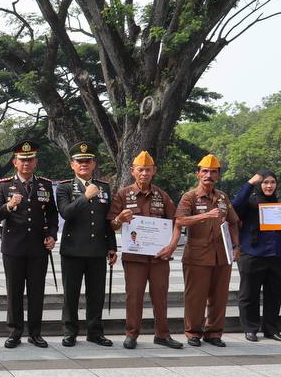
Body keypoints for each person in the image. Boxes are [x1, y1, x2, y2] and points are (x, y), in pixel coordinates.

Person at [108, 151, 182, 350]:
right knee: (134, 296)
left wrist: (172, 245)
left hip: (159, 257)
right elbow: (111, 225)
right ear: (133, 171)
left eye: (148, 170)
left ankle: (162, 334)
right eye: (140, 170)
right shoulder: (123, 195)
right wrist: (119, 219)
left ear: (154, 171)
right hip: (135, 257)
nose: (144, 173)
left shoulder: (161, 195)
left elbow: (176, 222)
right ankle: (131, 334)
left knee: (160, 295)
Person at [0, 140, 58, 348]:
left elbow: (52, 215)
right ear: (15, 162)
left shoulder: (44, 185)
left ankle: (35, 332)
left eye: (30, 159)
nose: (26, 163)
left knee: (37, 291)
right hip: (13, 247)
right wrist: (9, 206)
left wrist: (52, 235)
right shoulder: (4, 184)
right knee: (15, 290)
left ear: (35, 162)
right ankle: (15, 331)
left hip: (38, 247)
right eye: (22, 160)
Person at [54, 142, 117, 347]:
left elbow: (108, 220)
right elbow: (66, 213)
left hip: (98, 249)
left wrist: (112, 247)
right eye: (79, 161)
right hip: (73, 249)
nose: (84, 164)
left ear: (93, 164)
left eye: (87, 161)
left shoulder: (104, 187)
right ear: (72, 164)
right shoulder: (64, 187)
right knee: (70, 294)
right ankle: (70, 331)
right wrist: (85, 196)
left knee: (96, 294)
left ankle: (94, 331)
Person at [175, 155, 240, 346]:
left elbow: (234, 222)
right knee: (196, 296)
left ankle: (214, 333)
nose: (208, 175)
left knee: (219, 297)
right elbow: (180, 220)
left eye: (213, 172)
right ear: (198, 174)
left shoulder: (222, 197)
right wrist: (204, 216)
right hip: (197, 255)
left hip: (222, 254)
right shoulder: (190, 197)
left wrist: (236, 246)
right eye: (204, 171)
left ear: (218, 176)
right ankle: (193, 332)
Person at [232, 171, 281, 342]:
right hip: (253, 253)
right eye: (265, 182)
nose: (269, 186)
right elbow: (234, 206)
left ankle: (271, 329)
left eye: (272, 182)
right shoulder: (249, 202)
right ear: (260, 184)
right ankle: (250, 328)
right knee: (249, 294)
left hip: (278, 255)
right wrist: (250, 183)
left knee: (275, 294)